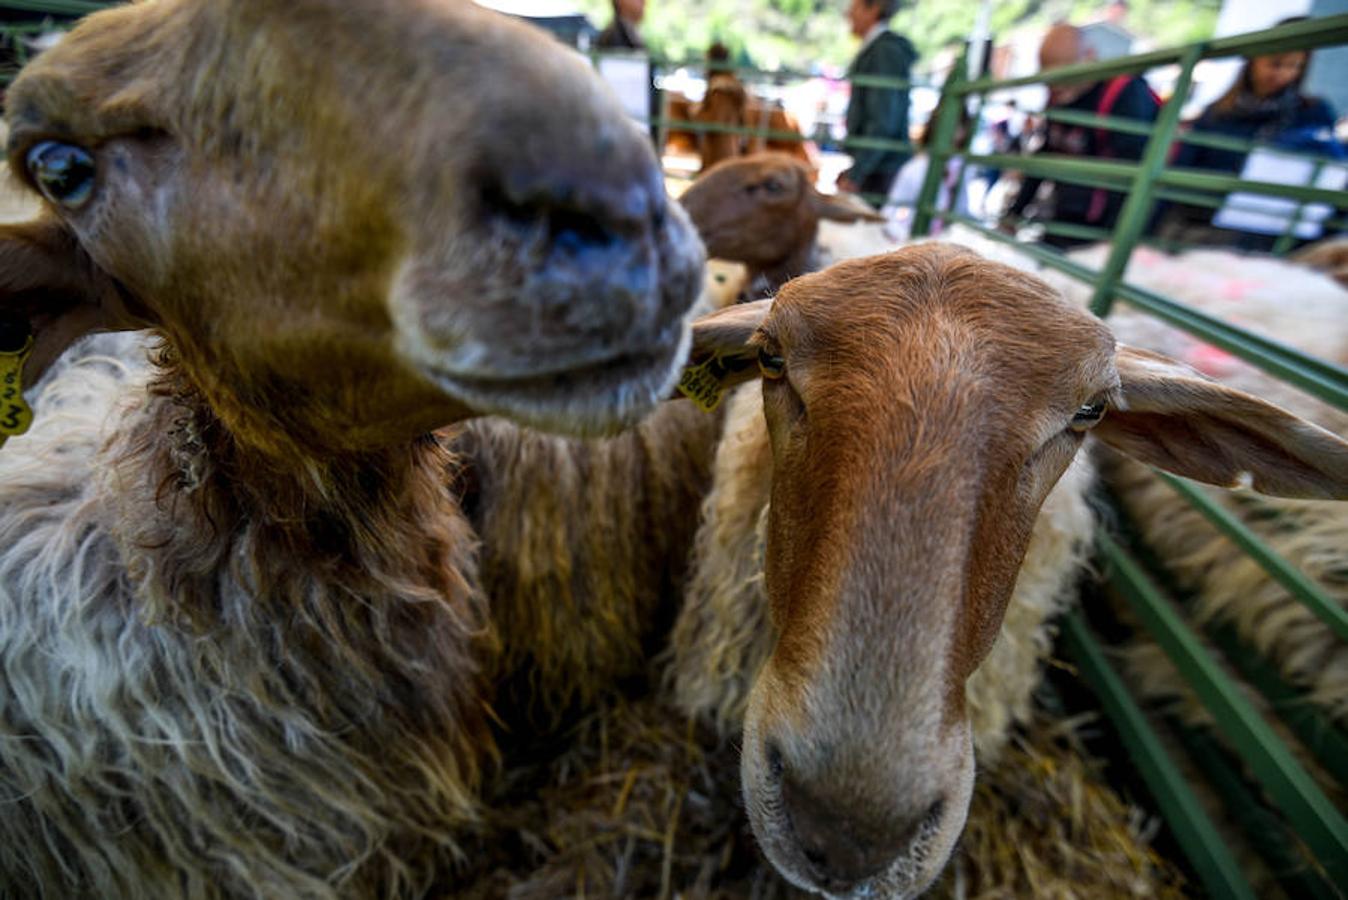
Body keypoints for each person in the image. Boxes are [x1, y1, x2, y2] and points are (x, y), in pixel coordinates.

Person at [1158, 18, 1344, 250]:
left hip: (1273, 235)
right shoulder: (1217, 113)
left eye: (1293, 66)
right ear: (1255, 59)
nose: (1282, 74)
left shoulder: (1312, 112)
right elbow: (1180, 174)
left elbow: (1329, 176)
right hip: (1208, 226)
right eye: (1275, 63)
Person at [1004, 23, 1160, 248]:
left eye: (1063, 76)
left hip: (1106, 229)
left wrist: (1115, 241)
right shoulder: (1059, 98)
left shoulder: (1125, 93)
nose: (1055, 87)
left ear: (1088, 57)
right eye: (1051, 79)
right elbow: (1045, 158)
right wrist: (1014, 215)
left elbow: (1133, 171)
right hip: (1063, 214)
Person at [837, 0, 917, 204]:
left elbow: (883, 121)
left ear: (873, 9)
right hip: (878, 165)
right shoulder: (879, 49)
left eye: (854, 7)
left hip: (881, 169)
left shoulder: (884, 52)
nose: (848, 14)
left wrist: (857, 174)